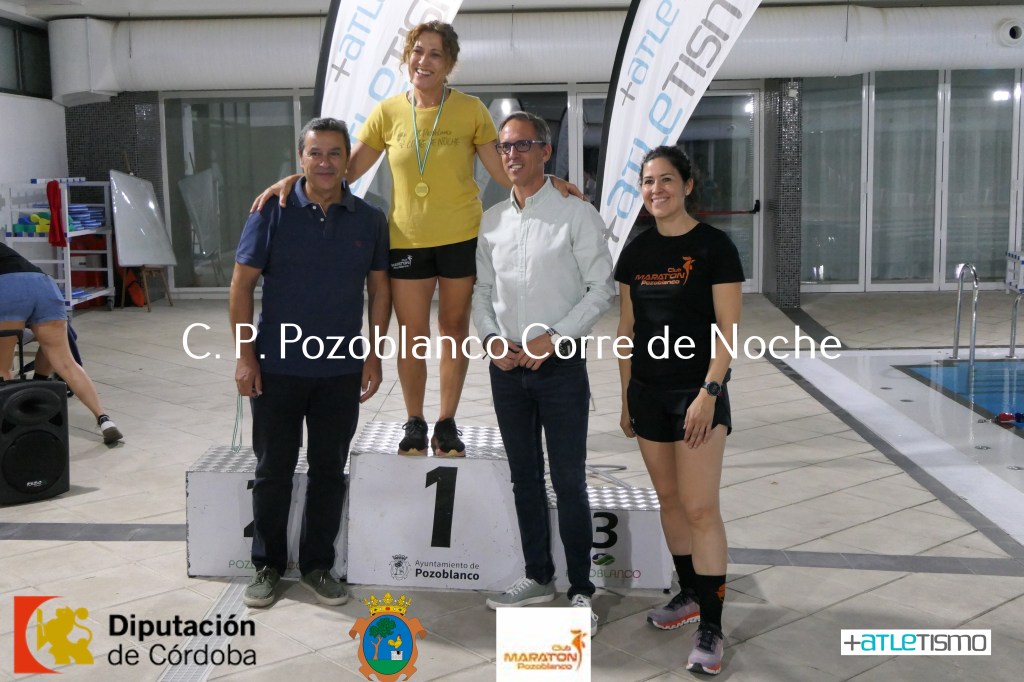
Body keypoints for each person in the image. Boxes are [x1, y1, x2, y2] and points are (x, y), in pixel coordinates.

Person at [253, 21, 579, 458]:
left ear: (449, 63)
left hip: (461, 236)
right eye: (417, 51)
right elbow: (343, 170)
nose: (424, 61)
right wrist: (296, 179)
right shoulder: (388, 112)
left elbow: (506, 173)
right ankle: (415, 421)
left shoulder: (470, 110)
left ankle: (445, 422)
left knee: (454, 329)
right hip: (406, 239)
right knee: (412, 334)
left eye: (435, 54)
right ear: (407, 57)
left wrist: (550, 180)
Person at [230, 117, 391, 608]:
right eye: (315, 153)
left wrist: (373, 355)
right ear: (300, 158)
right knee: (273, 468)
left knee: (328, 470)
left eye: (334, 153)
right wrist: (245, 356)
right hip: (277, 368)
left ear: (347, 160)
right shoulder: (270, 212)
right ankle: (267, 565)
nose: (324, 162)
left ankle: (318, 565)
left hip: (340, 369)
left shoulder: (370, 219)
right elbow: (241, 286)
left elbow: (379, 290)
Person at [472, 112, 614, 636]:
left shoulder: (577, 214)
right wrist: (492, 340)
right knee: (524, 478)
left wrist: (553, 338)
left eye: (522, 145)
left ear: (545, 152)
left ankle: (581, 590)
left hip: (560, 368)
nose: (512, 155)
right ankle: (538, 576)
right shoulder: (492, 221)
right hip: (507, 370)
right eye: (505, 147)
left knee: (569, 481)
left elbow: (601, 288)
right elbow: (482, 293)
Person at [614, 146, 743, 676]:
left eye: (666, 179)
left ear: (688, 185)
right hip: (648, 392)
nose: (656, 190)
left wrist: (708, 393)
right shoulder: (637, 252)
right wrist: (626, 397)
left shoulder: (715, 247)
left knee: (700, 508)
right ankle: (689, 593)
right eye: (648, 182)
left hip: (697, 396)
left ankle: (711, 626)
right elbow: (627, 331)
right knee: (669, 501)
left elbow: (728, 332)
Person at [0, 242, 123, 444]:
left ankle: (9, 428)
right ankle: (104, 419)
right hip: (43, 285)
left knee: (2, 368)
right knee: (66, 363)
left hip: (8, 288)